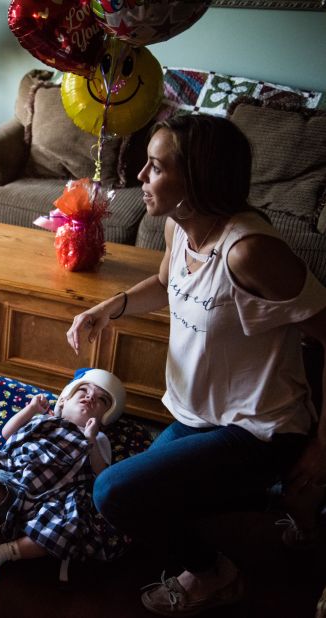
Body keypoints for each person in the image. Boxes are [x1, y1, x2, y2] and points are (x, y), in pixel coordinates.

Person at [66, 114, 326, 615]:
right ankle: (277, 494)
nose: (140, 176)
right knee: (142, 493)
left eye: (156, 167)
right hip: (198, 417)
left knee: (114, 493)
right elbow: (165, 284)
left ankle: (216, 573)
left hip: (260, 429)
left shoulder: (250, 252)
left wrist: (322, 446)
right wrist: (106, 309)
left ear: (197, 180)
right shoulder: (177, 228)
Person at [0, 368, 127, 582]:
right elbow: (7, 434)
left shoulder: (99, 439)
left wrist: (91, 440)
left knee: (67, 531)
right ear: (63, 400)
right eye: (84, 391)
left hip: (55, 501)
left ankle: (4, 552)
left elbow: (102, 475)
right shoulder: (43, 419)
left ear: (106, 417)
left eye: (101, 399)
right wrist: (30, 410)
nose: (90, 397)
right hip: (13, 483)